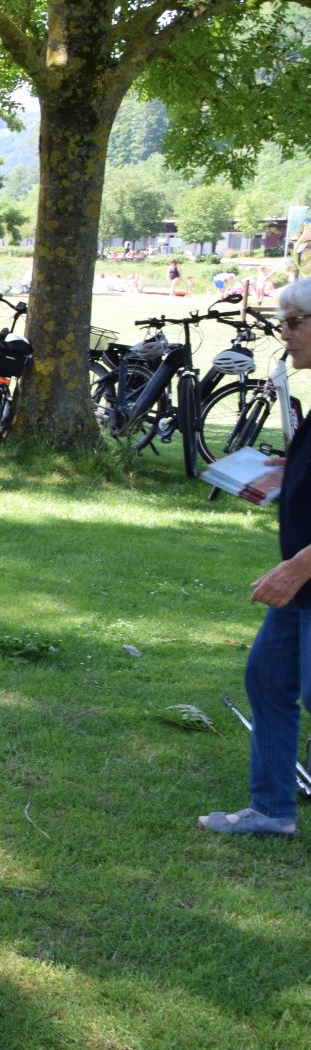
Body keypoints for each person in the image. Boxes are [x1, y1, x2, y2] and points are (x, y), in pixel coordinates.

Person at [202, 277, 311, 838]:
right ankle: (272, 811)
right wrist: (289, 470)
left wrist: (298, 568)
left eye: (294, 323)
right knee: (268, 679)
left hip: (305, 573)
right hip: (302, 583)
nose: (284, 334)